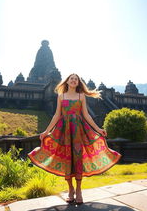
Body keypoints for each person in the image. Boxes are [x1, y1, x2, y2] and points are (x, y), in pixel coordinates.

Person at [28, 73, 121, 205]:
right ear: (67, 81)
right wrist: (47, 131)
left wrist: (98, 129)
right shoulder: (61, 96)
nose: (73, 80)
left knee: (77, 158)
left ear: (78, 82)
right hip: (63, 131)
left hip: (78, 130)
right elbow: (56, 115)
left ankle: (78, 190)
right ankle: (70, 189)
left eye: (76, 79)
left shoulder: (81, 96)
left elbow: (87, 115)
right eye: (71, 78)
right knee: (67, 159)